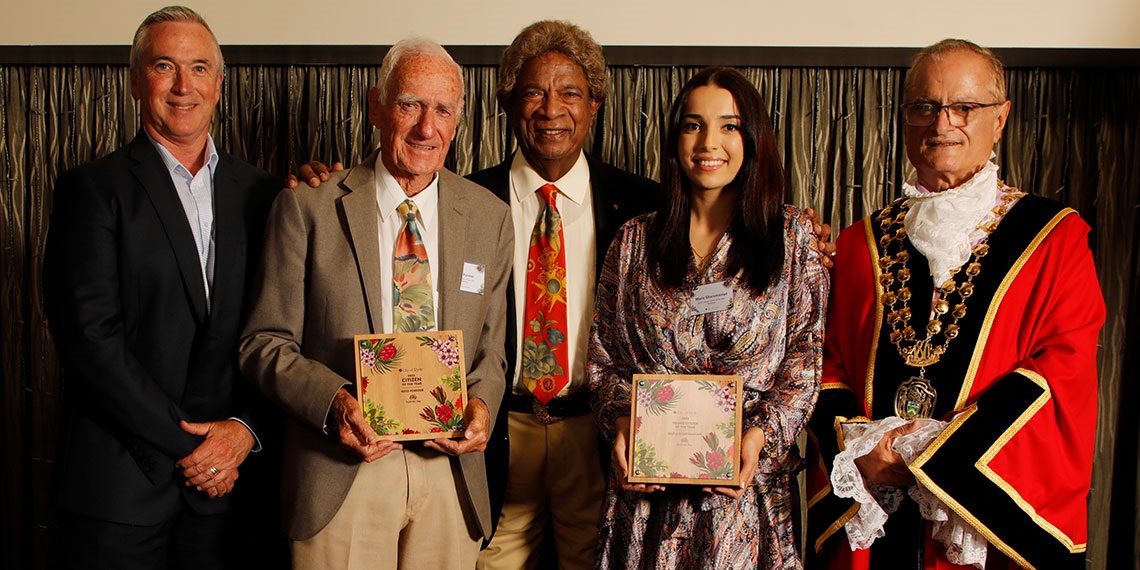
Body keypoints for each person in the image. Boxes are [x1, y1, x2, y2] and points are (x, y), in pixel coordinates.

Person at [805, 39, 1105, 570]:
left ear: (1001, 118)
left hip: (980, 527)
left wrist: (943, 454)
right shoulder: (858, 243)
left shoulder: (1056, 239)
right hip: (877, 521)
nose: (942, 123)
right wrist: (859, 448)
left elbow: (1064, 371)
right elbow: (828, 367)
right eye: (924, 106)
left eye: (964, 107)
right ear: (903, 119)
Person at [238, 38, 512, 570]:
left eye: (443, 109)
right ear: (375, 107)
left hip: (449, 473)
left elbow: (491, 354)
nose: (425, 127)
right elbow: (262, 343)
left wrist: (481, 406)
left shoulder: (489, 218)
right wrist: (335, 401)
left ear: (457, 120)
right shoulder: (307, 206)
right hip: (343, 469)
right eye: (410, 104)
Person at [42, 6, 283, 569]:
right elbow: (91, 343)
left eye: (199, 68)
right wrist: (196, 449)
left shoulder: (266, 195)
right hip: (118, 493)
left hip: (230, 497)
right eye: (164, 66)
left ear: (220, 85)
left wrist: (244, 432)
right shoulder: (91, 191)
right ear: (134, 80)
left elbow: (281, 331)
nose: (183, 86)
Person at [588, 66, 828, 569]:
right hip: (649, 500)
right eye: (693, 125)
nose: (708, 143)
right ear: (675, 138)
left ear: (753, 137)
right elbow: (602, 358)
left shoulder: (795, 236)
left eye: (729, 126)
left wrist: (760, 436)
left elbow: (805, 360)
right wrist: (623, 423)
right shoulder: (634, 240)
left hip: (746, 497)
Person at [465, 21, 658, 570]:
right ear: (508, 103)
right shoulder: (465, 200)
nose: (551, 109)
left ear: (595, 104)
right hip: (499, 429)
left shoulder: (644, 206)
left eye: (570, 92)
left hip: (597, 433)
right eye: (533, 92)